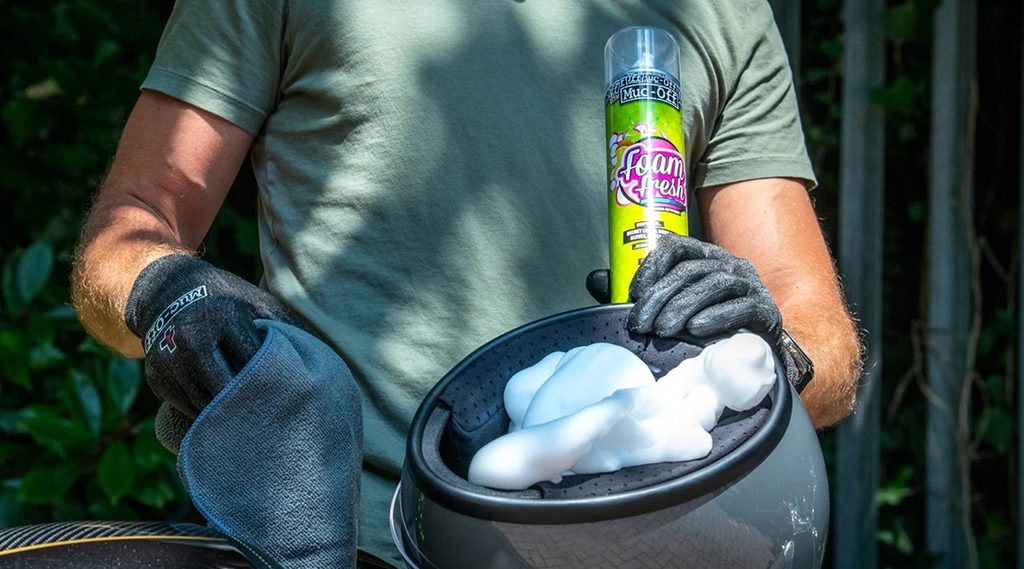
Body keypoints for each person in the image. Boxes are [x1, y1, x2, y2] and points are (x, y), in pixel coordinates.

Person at [71, 1, 863, 566]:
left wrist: (772, 354)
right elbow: (134, 220)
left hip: (641, 539)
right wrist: (173, 297)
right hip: (342, 544)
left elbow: (826, 350)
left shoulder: (722, 11)